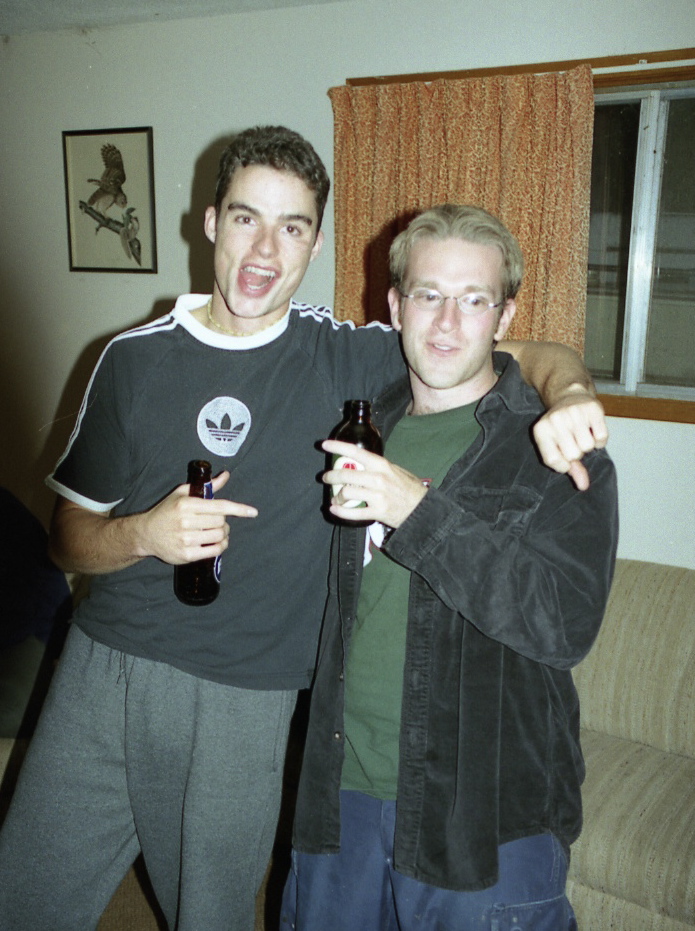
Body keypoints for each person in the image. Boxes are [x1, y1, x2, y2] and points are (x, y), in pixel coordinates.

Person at [0, 129, 606, 931]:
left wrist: (569, 393)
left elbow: (496, 344)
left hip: (246, 698)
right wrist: (142, 534)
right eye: (246, 218)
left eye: (290, 228)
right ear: (210, 222)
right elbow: (65, 536)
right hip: (102, 671)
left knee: (209, 915)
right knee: (23, 895)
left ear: (314, 243)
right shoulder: (131, 360)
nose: (262, 249)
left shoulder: (344, 355)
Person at [283, 204, 619, 931]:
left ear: (504, 316)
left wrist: (415, 507)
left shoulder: (553, 449)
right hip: (340, 794)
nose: (445, 322)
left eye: (473, 300)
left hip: (483, 816)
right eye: (428, 295)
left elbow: (561, 625)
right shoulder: (362, 426)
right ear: (395, 305)